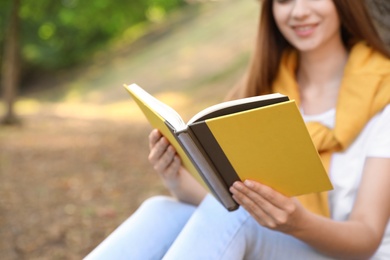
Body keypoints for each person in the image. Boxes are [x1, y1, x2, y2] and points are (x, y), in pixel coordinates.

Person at [85, 0, 390, 259]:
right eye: (284, 0)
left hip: (347, 253)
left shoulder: (383, 92)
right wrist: (176, 179)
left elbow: (367, 238)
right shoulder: (261, 92)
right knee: (160, 210)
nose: (298, 11)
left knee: (242, 214)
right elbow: (229, 206)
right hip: (278, 243)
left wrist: (296, 222)